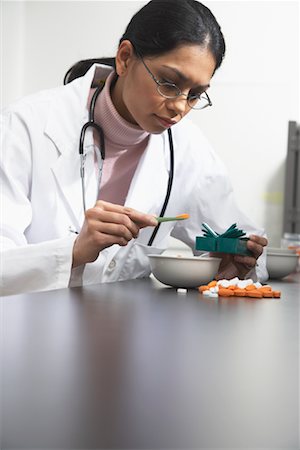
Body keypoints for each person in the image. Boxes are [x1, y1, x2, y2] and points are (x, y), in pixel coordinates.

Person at [1, 0, 268, 296]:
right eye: (168, 83)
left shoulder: (187, 148)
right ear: (125, 58)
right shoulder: (27, 126)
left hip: (132, 332)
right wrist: (74, 251)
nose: (179, 107)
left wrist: (228, 267)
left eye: (195, 95)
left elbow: (248, 242)